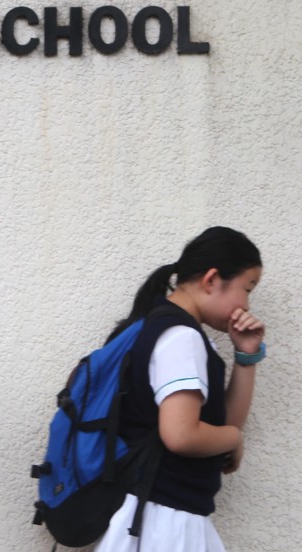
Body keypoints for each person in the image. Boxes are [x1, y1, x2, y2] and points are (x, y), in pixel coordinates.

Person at [94, 226, 266, 552]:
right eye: (248, 288)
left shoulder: (158, 327)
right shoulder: (181, 338)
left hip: (156, 517)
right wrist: (234, 439)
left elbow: (217, 426)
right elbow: (182, 435)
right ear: (212, 279)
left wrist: (246, 356)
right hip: (164, 525)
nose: (247, 303)